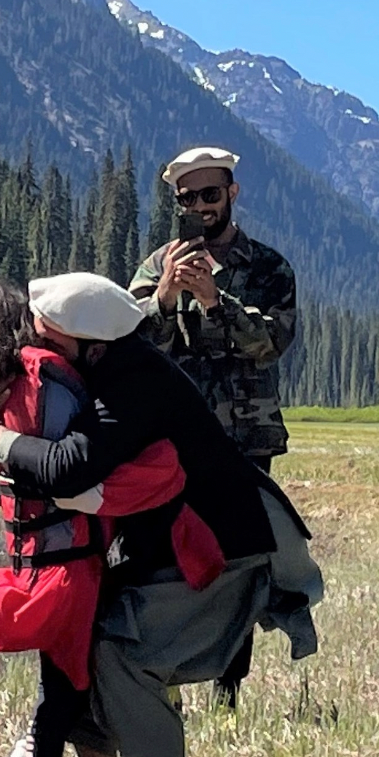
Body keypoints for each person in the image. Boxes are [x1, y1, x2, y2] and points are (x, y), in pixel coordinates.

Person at [0, 272, 320, 757]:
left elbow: (67, 469)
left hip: (221, 552)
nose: (40, 350)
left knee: (113, 652)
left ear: (92, 346)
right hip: (174, 543)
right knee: (81, 637)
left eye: (50, 342)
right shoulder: (108, 370)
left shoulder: (130, 386)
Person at [0, 281, 205, 757]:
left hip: (47, 563)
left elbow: (57, 472)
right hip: (75, 564)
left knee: (71, 677)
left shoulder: (11, 395)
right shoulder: (57, 386)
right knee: (72, 678)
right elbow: (68, 472)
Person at [130, 146, 297, 706]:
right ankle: (166, 684)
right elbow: (130, 350)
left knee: (241, 566)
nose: (200, 206)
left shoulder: (269, 268)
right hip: (172, 444)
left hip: (245, 441)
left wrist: (215, 302)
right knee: (163, 563)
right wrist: (165, 298)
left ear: (232, 193)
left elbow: (272, 343)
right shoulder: (157, 266)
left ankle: (229, 690)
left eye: (210, 194)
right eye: (188, 197)